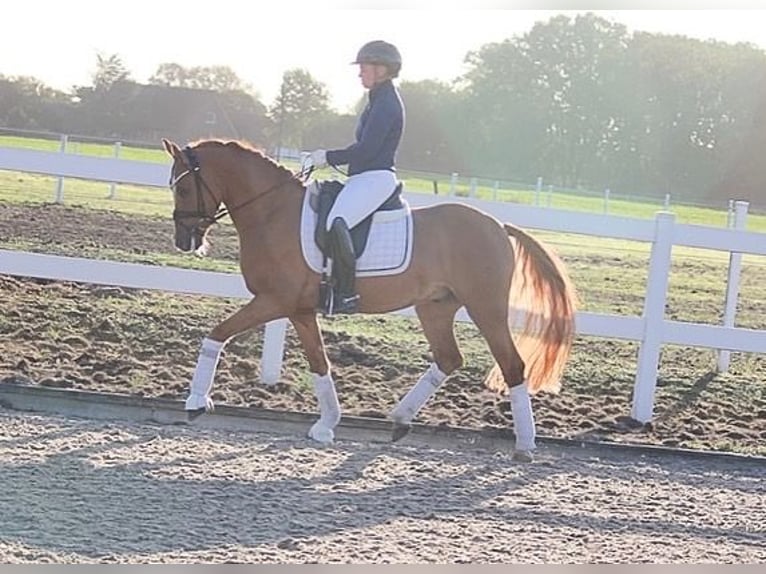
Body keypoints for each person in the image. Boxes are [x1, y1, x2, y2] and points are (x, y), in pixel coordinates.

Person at [308, 40, 405, 314]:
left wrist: (328, 157)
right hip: (365, 177)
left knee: (338, 221)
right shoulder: (377, 99)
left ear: (382, 69)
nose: (360, 72)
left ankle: (347, 294)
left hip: (376, 178)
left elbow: (366, 150)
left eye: (364, 67)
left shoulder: (386, 103)